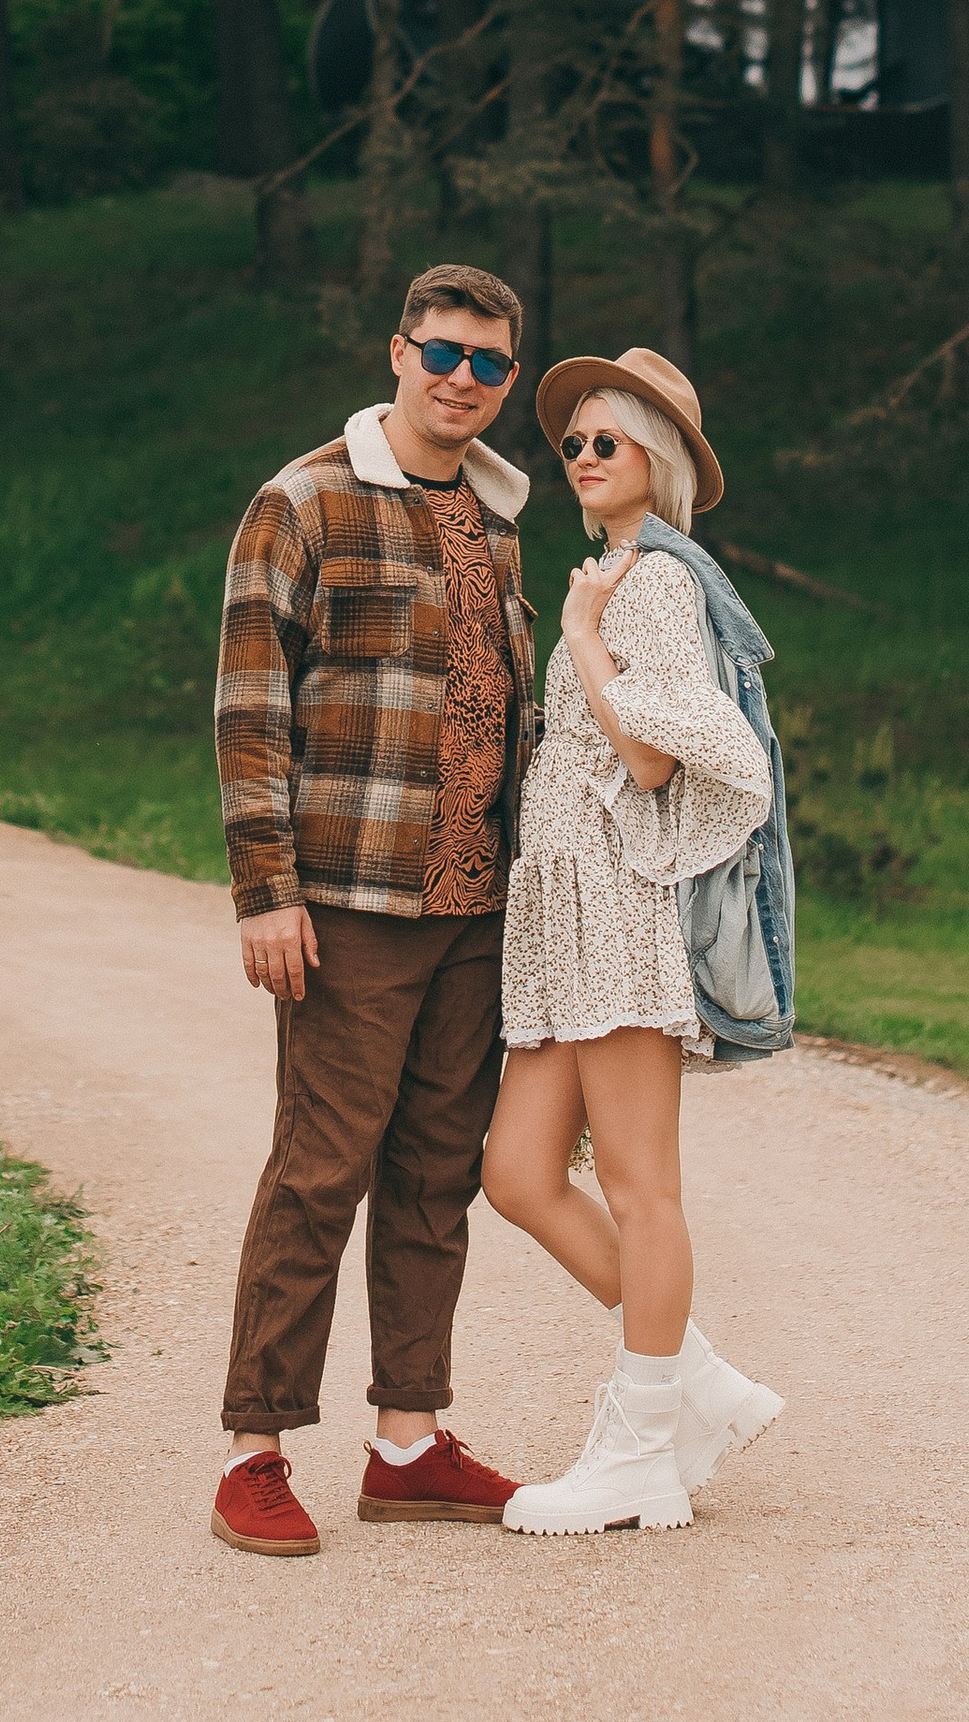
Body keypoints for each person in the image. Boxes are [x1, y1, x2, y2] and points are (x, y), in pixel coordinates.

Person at [207, 263, 536, 1557]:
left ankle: (408, 1438)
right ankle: (256, 1448)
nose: (463, 379)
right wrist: (265, 893)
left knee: (435, 1177)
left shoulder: (499, 520)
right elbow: (250, 707)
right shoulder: (305, 500)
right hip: (350, 902)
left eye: (489, 363)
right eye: (444, 352)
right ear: (398, 350)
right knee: (319, 1169)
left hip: (473, 907)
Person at [481, 344, 787, 1536]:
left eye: (607, 442)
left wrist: (587, 638)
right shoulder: (614, 574)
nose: (584, 459)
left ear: (655, 459)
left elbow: (660, 757)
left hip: (614, 903)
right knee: (515, 1172)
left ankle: (643, 1446)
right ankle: (695, 1379)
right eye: (573, 445)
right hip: (561, 917)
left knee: (637, 1184)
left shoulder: (651, 581)